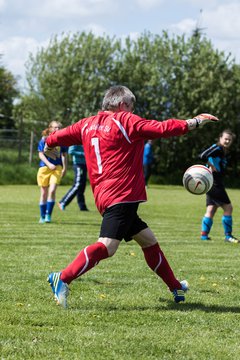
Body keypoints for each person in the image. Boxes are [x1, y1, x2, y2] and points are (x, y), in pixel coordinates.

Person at [44, 85, 219, 308]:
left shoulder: (85, 124)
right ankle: (64, 278)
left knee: (148, 241)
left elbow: (58, 136)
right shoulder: (125, 120)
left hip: (105, 196)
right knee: (107, 246)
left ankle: (175, 286)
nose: (132, 110)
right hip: (121, 195)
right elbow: (162, 128)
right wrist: (194, 122)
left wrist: (50, 144)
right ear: (122, 104)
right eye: (131, 106)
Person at [199, 129, 239, 243]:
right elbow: (202, 155)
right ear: (220, 138)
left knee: (211, 209)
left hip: (212, 182)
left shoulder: (222, 150)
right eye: (225, 139)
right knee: (228, 207)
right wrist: (211, 165)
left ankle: (204, 235)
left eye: (229, 140)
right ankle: (228, 236)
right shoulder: (217, 148)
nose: (227, 141)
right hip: (214, 182)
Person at [37, 120, 68, 224]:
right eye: (55, 127)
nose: (57, 129)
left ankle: (48, 215)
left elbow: (63, 155)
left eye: (59, 128)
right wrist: (48, 164)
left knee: (52, 190)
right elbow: (41, 154)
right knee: (44, 193)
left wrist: (65, 168)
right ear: (50, 128)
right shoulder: (44, 140)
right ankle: (42, 216)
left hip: (57, 168)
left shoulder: (62, 141)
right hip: (44, 168)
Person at [58, 145, 89, 211]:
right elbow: (71, 151)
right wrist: (84, 154)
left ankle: (82, 207)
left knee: (82, 186)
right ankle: (63, 202)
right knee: (77, 185)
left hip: (84, 164)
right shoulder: (76, 140)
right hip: (78, 164)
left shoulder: (85, 138)